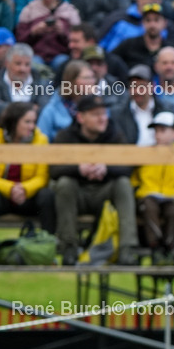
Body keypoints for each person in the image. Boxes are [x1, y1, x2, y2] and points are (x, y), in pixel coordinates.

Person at [49, 94, 138, 266]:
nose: (102, 118)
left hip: (105, 194)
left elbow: (128, 167)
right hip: (78, 193)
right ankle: (69, 248)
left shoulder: (115, 136)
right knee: (64, 184)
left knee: (123, 184)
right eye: (96, 114)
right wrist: (79, 169)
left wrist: (106, 168)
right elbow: (54, 170)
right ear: (81, 117)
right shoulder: (65, 137)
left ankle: (127, 249)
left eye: (104, 113)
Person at [0, 102, 54, 263]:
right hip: (3, 196)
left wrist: (24, 189)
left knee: (47, 195)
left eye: (33, 122)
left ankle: (48, 247)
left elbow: (42, 177)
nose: (32, 127)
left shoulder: (41, 139)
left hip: (28, 197)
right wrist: (11, 189)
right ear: (14, 121)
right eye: (27, 122)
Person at [133, 110, 174, 265]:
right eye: (156, 131)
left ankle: (169, 247)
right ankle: (155, 247)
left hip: (171, 196)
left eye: (162, 130)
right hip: (148, 194)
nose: (157, 135)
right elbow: (134, 178)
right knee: (149, 207)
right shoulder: (146, 152)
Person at [15, 0, 79, 68]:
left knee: (62, 63)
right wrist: (33, 32)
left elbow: (77, 39)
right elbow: (20, 39)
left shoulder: (69, 11)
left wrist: (63, 32)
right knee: (35, 65)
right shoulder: (29, 10)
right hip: (36, 54)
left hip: (60, 54)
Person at [0, 44, 51, 126]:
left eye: (27, 64)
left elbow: (45, 110)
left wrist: (6, 107)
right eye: (18, 64)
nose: (23, 69)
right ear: (7, 63)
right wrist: (31, 107)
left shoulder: (42, 83)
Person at [36, 58, 97, 140]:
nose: (91, 82)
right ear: (72, 81)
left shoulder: (99, 107)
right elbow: (41, 140)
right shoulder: (52, 109)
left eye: (92, 77)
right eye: (86, 78)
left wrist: (93, 100)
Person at [112, 2, 174, 70]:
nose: (152, 24)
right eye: (148, 20)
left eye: (156, 20)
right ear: (142, 23)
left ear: (165, 23)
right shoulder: (129, 44)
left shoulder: (170, 49)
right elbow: (111, 60)